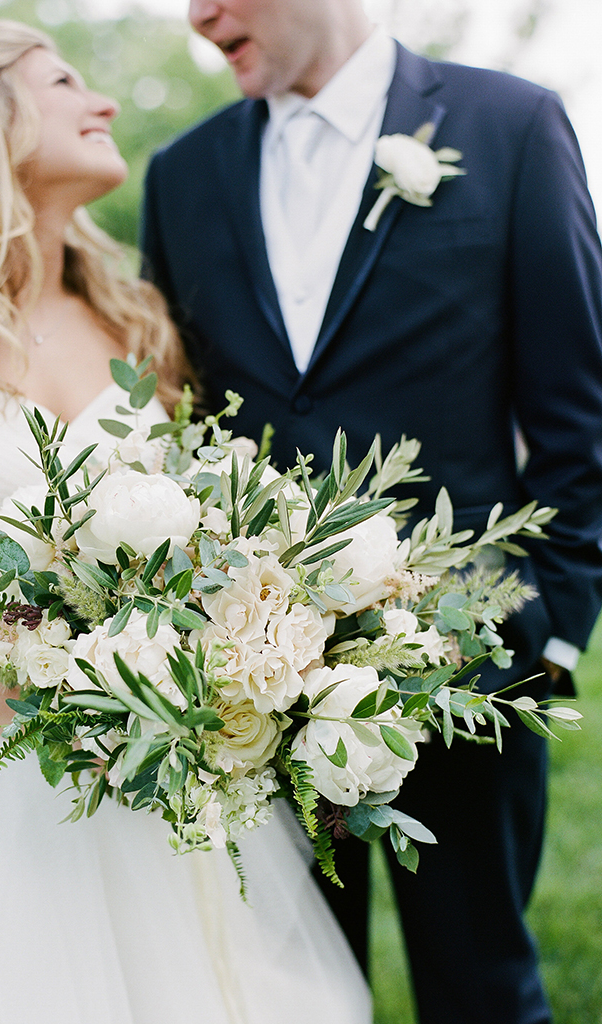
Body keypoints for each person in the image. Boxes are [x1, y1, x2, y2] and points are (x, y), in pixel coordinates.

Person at [0, 20, 373, 1024]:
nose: (102, 103)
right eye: (64, 81)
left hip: (151, 762)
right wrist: (45, 713)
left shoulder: (133, 321)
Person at [141, 2, 602, 1023]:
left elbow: (580, 409)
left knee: (483, 983)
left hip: (469, 657)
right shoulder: (182, 174)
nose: (197, 14)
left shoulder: (510, 125)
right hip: (252, 686)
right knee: (284, 997)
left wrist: (550, 634)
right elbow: (180, 423)